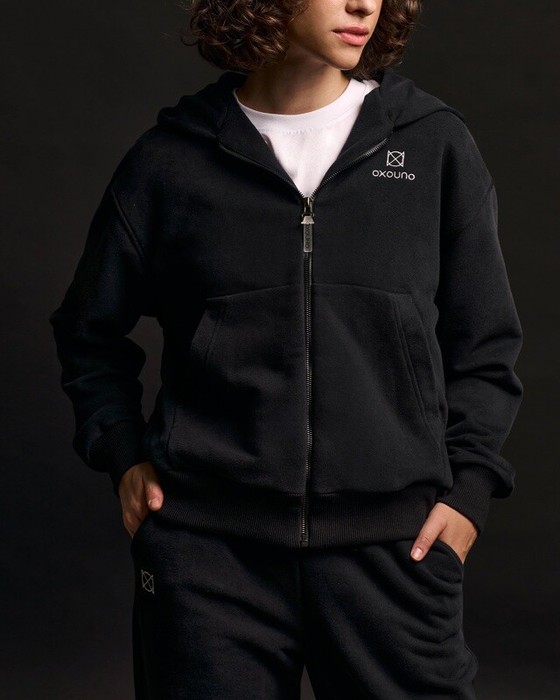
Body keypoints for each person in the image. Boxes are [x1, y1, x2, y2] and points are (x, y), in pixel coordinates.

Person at [49, 0, 524, 697]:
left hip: (394, 553)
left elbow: (485, 342)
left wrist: (470, 490)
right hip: (209, 559)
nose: (364, 3)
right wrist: (122, 451)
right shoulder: (171, 161)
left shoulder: (432, 145)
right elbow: (89, 330)